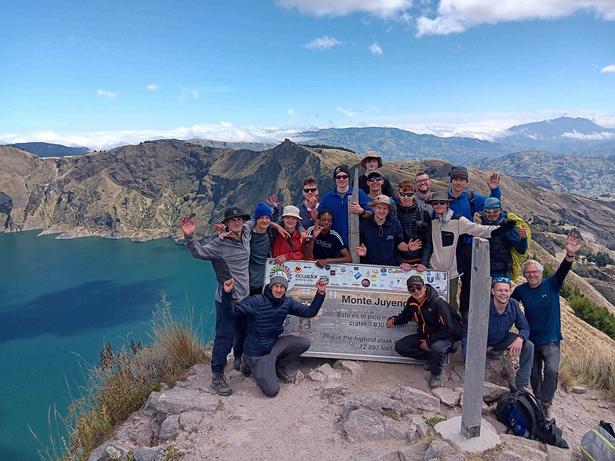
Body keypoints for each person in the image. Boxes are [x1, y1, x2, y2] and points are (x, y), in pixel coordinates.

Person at [181, 207, 252, 396]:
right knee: (224, 336)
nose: (237, 222)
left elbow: (261, 221)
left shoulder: (246, 233)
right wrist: (189, 236)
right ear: (226, 223)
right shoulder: (219, 244)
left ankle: (238, 360)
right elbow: (198, 252)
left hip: (244, 297)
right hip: (227, 299)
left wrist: (275, 212)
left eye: (239, 219)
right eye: (232, 220)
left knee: (242, 331)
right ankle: (217, 375)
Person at [222, 274, 327, 397]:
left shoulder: (286, 302)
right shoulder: (256, 301)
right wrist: (227, 294)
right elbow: (231, 313)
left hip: (272, 345)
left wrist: (320, 293)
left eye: (282, 287)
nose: (279, 290)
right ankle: (248, 362)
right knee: (272, 390)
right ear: (271, 287)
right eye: (276, 286)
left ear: (285, 289)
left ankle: (278, 365)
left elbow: (309, 312)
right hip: (257, 353)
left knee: (304, 343)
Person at [511, 234, 581, 417]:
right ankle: (538, 399)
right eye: (528, 273)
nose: (532, 275)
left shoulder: (552, 284)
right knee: (534, 374)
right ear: (524, 275)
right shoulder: (520, 290)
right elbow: (510, 306)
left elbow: (563, 269)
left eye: (534, 272)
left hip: (551, 339)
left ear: (541, 272)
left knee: (551, 372)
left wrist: (570, 254)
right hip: (531, 340)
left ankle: (545, 402)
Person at [423, 191, 515, 320]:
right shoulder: (433, 222)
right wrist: (424, 263)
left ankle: (454, 327)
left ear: (447, 204)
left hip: (451, 271)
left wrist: (500, 229)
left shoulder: (458, 221)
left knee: (451, 304)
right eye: (435, 203)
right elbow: (429, 245)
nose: (439, 205)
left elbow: (478, 229)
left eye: (442, 203)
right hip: (434, 270)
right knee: (433, 302)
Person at [387, 275, 461, 388]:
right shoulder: (412, 302)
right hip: (424, 335)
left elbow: (448, 328)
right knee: (401, 346)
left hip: (444, 337)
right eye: (412, 289)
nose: (416, 291)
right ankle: (432, 358)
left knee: (436, 348)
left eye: (418, 287)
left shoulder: (438, 303)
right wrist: (394, 320)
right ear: (409, 291)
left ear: (425, 287)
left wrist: (429, 342)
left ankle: (436, 374)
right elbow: (405, 316)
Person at [447, 166, 502, 318]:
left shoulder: (471, 198)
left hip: (468, 245)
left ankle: (465, 312)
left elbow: (493, 203)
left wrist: (495, 190)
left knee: (468, 282)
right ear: (451, 181)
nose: (458, 182)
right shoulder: (444, 199)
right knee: (450, 281)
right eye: (456, 179)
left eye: (462, 179)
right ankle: (451, 313)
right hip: (450, 247)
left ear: (466, 182)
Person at [463, 278, 534, 391]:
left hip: (501, 339)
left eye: (506, 290)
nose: (503, 293)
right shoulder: (482, 306)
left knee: (528, 345)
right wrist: (467, 357)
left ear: (510, 292)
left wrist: (520, 338)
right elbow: (467, 333)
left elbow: (525, 327)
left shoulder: (514, 305)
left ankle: (521, 386)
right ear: (493, 291)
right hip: (481, 341)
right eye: (500, 290)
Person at [318, 164, 373, 246]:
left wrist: (361, 211)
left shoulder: (359, 193)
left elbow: (371, 213)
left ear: (348, 178)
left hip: (355, 243)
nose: (341, 179)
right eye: (338, 177)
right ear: (335, 179)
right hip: (334, 245)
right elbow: (318, 217)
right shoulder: (328, 197)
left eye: (344, 176)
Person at [356, 195, 410, 268]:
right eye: (379, 207)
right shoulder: (364, 225)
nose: (382, 211)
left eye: (385, 208)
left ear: (388, 210)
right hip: (369, 267)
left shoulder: (395, 223)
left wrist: (408, 248)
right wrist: (363, 254)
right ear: (374, 208)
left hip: (390, 267)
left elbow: (398, 244)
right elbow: (360, 247)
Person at [480, 197, 528, 278]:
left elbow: (521, 250)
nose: (491, 214)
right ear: (484, 211)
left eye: (495, 211)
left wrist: (523, 239)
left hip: (501, 272)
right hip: (483, 269)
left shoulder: (508, 227)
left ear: (500, 210)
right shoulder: (483, 223)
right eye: (488, 211)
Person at [396, 179, 431, 269]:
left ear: (415, 194)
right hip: (398, 264)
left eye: (409, 194)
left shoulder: (424, 214)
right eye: (403, 194)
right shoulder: (393, 214)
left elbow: (428, 242)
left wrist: (424, 263)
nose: (406, 198)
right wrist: (400, 262)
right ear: (398, 194)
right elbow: (390, 242)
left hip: (420, 263)